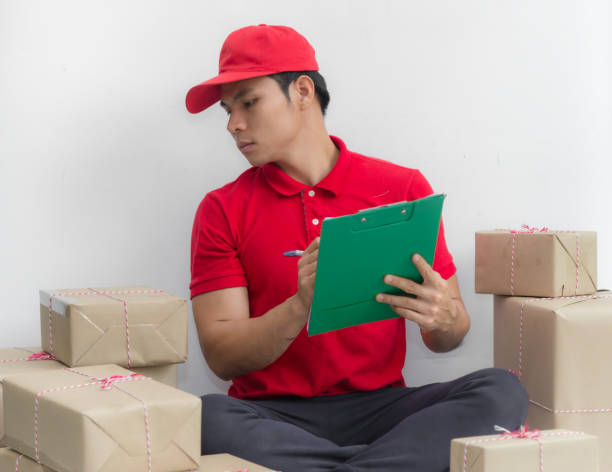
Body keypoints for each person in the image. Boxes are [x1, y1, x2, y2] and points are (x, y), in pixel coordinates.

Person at [186, 24, 528, 472]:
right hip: (273, 416)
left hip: (382, 411)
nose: (233, 124)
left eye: (248, 102)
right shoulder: (222, 209)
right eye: (228, 110)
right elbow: (223, 357)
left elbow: (449, 334)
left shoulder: (401, 189)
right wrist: (301, 304)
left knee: (501, 390)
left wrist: (445, 319)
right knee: (204, 417)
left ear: (302, 91)